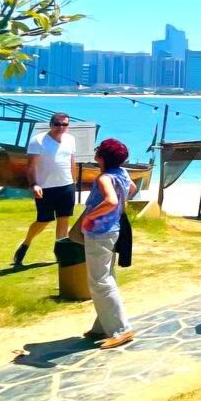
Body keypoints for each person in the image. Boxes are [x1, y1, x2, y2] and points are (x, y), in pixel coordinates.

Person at [70, 138, 136, 349]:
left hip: (99, 232)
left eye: (98, 151)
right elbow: (131, 188)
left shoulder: (104, 178)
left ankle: (121, 329)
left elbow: (111, 201)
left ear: (101, 157)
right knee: (106, 276)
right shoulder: (123, 173)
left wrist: (90, 217)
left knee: (100, 281)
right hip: (113, 229)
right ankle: (103, 325)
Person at [13, 112, 77, 267]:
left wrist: (74, 182)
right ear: (51, 124)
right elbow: (30, 166)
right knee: (44, 219)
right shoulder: (38, 141)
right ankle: (26, 243)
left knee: (63, 220)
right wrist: (34, 184)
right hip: (45, 187)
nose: (61, 127)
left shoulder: (70, 140)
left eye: (65, 124)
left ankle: (60, 253)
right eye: (58, 124)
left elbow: (72, 161)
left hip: (66, 186)